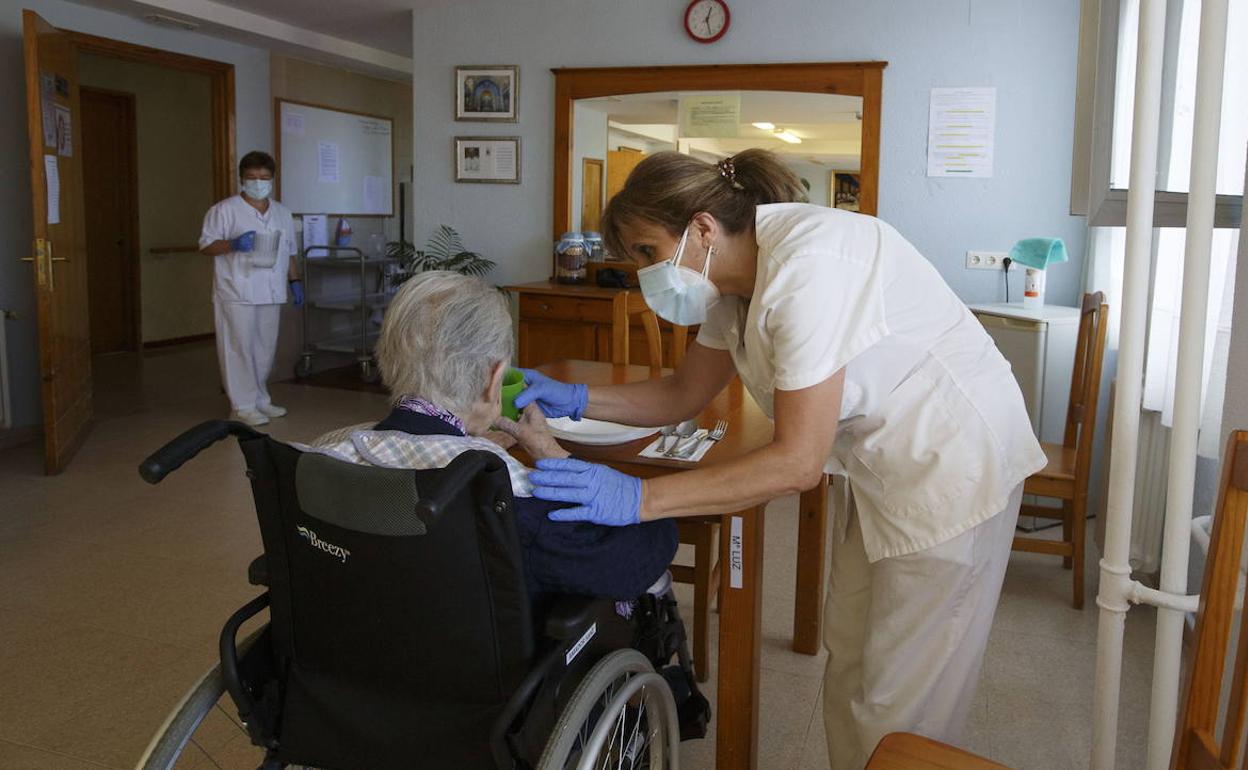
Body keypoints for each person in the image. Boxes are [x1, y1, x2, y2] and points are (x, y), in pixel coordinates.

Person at [515, 149, 1047, 769]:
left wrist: (637, 499)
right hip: (880, 470)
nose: (642, 274)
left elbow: (796, 463)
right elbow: (682, 393)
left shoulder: (809, 268)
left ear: (702, 228)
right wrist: (578, 399)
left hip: (951, 465)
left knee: (903, 696)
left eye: (646, 252)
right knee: (848, 659)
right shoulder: (730, 285)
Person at [311, 271, 678, 604]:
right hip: (470, 666)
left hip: (352, 650)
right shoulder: (498, 489)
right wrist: (555, 455)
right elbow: (635, 556)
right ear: (494, 378)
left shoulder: (323, 454)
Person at [199, 151, 303, 426]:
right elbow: (206, 245)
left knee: (264, 348)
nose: (259, 183)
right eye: (252, 178)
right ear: (242, 179)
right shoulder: (224, 210)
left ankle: (260, 399)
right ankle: (242, 406)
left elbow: (289, 251)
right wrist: (232, 244)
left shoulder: (282, 212)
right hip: (236, 290)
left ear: (272, 179)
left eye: (264, 178)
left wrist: (295, 282)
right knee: (238, 348)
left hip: (270, 290)